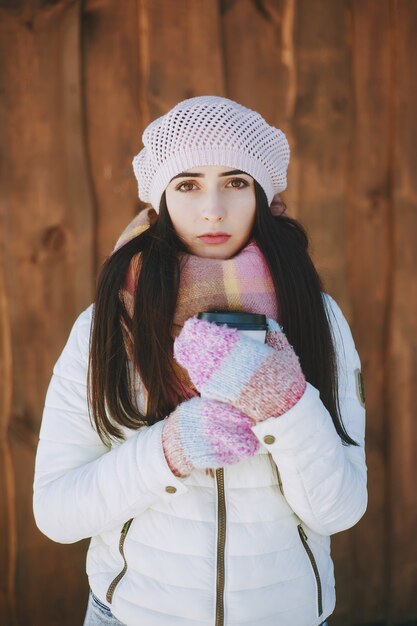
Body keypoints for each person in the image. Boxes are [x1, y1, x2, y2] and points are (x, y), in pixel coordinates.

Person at [33, 95, 367, 626]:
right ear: (160, 199)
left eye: (236, 182)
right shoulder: (106, 324)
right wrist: (170, 448)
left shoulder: (316, 315)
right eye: (187, 184)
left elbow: (340, 509)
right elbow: (56, 512)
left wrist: (286, 405)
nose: (213, 208)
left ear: (261, 194)